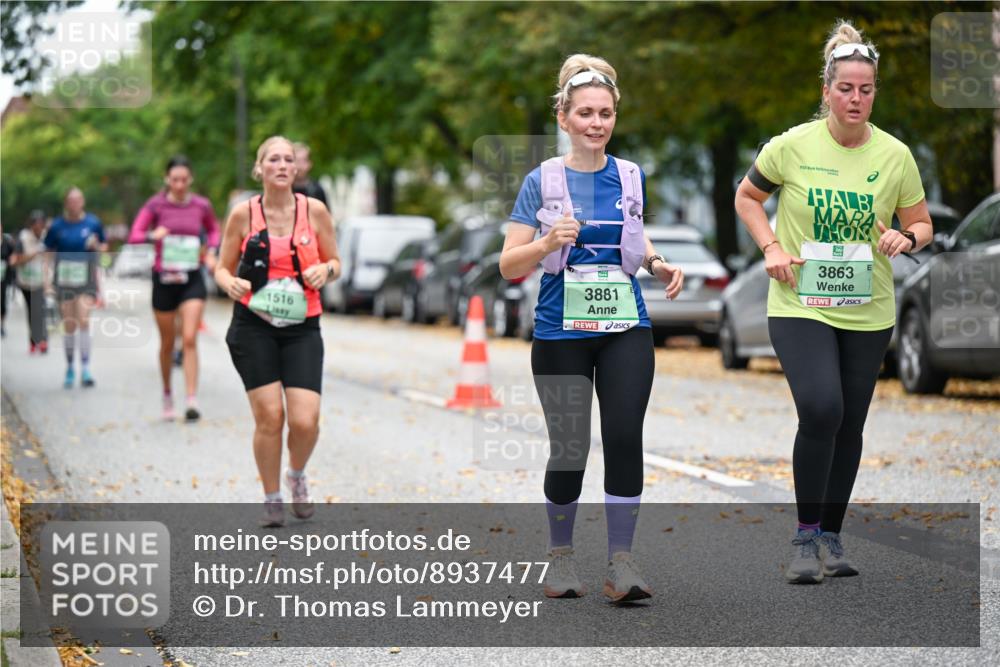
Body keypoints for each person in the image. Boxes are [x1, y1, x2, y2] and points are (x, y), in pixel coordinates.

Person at [734, 21, 932, 584]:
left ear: (875, 92)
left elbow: (921, 223)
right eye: (845, 88)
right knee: (822, 407)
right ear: (827, 90)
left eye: (866, 89)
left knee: (849, 423)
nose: (856, 98)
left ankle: (831, 536)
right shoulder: (792, 145)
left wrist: (905, 237)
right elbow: (747, 197)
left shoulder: (895, 155)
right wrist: (770, 244)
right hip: (801, 302)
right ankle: (803, 538)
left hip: (868, 307)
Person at [499, 54, 684, 603]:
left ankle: (621, 563)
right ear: (564, 118)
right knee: (571, 448)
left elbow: (635, 238)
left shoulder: (630, 175)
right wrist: (546, 242)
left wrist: (658, 264)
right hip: (560, 331)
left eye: (605, 113)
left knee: (625, 437)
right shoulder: (541, 181)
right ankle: (560, 558)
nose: (596, 123)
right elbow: (509, 263)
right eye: (585, 113)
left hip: (626, 323)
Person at [215, 136, 340, 528]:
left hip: (303, 326)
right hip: (253, 326)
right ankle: (272, 498)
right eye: (274, 159)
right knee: (270, 417)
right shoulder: (242, 214)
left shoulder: (314, 211)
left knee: (305, 420)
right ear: (260, 168)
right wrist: (227, 283)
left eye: (289, 159)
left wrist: (327, 270)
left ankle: (297, 475)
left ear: (296, 169)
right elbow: (221, 266)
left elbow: (336, 260)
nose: (283, 165)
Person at [128, 155, 220, 421]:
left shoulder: (202, 205)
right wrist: (151, 235)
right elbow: (135, 234)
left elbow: (213, 231)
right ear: (167, 180)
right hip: (164, 279)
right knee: (168, 343)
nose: (179, 184)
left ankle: (191, 399)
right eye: (174, 179)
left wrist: (211, 250)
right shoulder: (155, 205)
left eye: (184, 179)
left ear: (190, 179)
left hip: (192, 277)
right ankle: (167, 393)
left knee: (190, 338)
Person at [44, 187, 108, 388]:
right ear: (66, 203)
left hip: (86, 278)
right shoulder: (56, 226)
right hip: (64, 279)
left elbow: (104, 247)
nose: (75, 203)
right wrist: (46, 282)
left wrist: (96, 246)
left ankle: (86, 368)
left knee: (84, 319)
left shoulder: (92, 223)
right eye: (71, 200)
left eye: (78, 199)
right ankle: (70, 366)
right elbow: (48, 253)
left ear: (83, 201)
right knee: (69, 324)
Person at [15, 210, 50, 353]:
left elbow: (49, 259)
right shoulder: (23, 237)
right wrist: (34, 253)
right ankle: (33, 341)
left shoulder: (46, 237)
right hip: (25, 281)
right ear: (31, 224)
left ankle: (42, 340)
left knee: (40, 311)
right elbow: (18, 259)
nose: (39, 226)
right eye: (36, 223)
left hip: (40, 281)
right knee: (31, 312)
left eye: (41, 223)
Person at [291, 142, 328, 208]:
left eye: (303, 161)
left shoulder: (317, 189)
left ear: (310, 163)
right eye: (297, 161)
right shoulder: (284, 189)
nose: (300, 166)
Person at [0, 225, 15, 338]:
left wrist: (11, 262)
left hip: (3, 277)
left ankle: (2, 325)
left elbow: (14, 255)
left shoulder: (7, 242)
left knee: (2, 301)